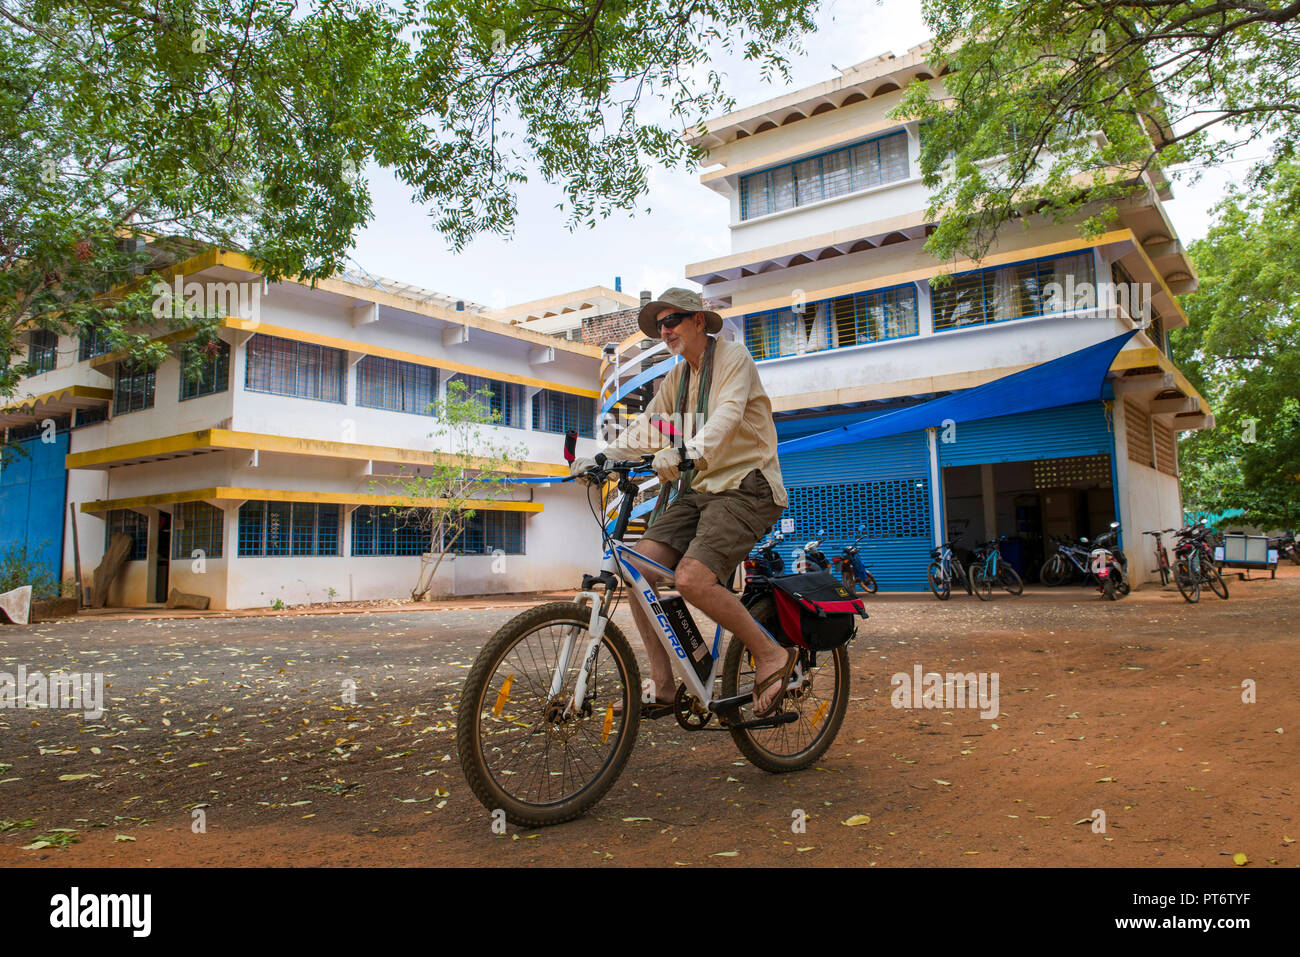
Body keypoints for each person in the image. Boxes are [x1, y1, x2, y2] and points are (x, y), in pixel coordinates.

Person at [570, 287, 795, 717]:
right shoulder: (678, 377)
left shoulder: (733, 359)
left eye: (672, 320)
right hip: (703, 489)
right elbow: (648, 428)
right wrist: (602, 457)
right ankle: (666, 683)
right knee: (635, 568)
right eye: (659, 325)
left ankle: (770, 654)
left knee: (691, 579)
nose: (665, 330)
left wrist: (687, 452)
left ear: (698, 321)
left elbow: (727, 418)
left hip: (747, 487)